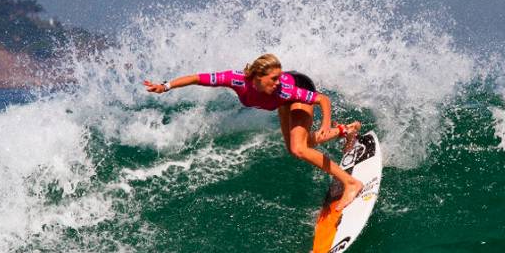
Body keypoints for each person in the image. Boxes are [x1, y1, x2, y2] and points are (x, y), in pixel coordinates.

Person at [143, 54, 364, 210]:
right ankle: (346, 130)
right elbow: (198, 78)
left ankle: (351, 183)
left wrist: (325, 124)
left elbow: (322, 99)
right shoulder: (236, 80)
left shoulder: (285, 89)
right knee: (297, 147)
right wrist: (166, 86)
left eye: (279, 77)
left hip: (301, 87)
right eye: (273, 79)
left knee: (300, 148)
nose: (277, 82)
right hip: (281, 102)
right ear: (257, 77)